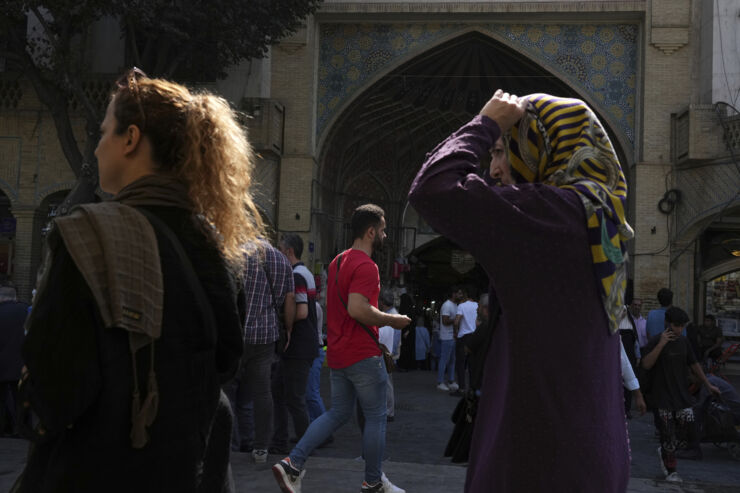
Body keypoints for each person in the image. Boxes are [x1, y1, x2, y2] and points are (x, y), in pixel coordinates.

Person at [14, 68, 261, 492]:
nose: (95, 148)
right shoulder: (215, 249)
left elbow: (54, 391)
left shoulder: (85, 236)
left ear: (130, 139)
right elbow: (223, 364)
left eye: (104, 131)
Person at [409, 89, 633, 492]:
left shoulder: (550, 217)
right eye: (493, 153)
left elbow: (433, 188)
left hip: (539, 457)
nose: (493, 170)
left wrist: (485, 123)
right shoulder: (600, 218)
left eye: (500, 152)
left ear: (541, 146)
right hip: (588, 453)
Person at [272, 204, 410, 493]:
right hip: (362, 354)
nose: (384, 235)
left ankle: (292, 464)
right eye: (383, 230)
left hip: (337, 354)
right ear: (371, 232)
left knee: (337, 413)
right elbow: (358, 309)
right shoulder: (366, 266)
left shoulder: (336, 262)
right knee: (376, 417)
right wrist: (393, 320)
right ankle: (373, 482)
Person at [225, 238, 295, 462]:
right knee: (263, 392)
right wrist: (289, 330)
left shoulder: (238, 253)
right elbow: (289, 299)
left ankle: (227, 444)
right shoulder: (281, 260)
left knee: (227, 390)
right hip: (265, 336)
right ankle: (261, 448)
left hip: (237, 332)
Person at [641, 307, 721, 482]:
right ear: (667, 324)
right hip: (662, 396)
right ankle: (671, 471)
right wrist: (661, 344)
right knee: (668, 434)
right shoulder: (656, 341)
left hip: (682, 395)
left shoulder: (684, 342)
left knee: (688, 430)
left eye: (682, 326)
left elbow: (694, 365)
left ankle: (665, 450)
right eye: (676, 326)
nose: (678, 330)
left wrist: (708, 385)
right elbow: (646, 365)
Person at [272, 234, 319, 453]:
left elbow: (301, 311)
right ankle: (281, 441)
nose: (278, 253)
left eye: (280, 249)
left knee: (294, 398)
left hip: (298, 346)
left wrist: (281, 319)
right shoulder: (305, 273)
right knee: (280, 392)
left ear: (289, 251)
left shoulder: (296, 276)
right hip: (301, 346)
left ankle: (304, 446)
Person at [0, 285, 28, 436]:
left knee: (1, 400)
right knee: (20, 399)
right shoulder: (26, 310)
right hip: (22, 365)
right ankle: (20, 428)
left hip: (2, 365)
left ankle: (3, 428)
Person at [453, 286, 478, 394]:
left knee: (460, 364)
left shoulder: (462, 306)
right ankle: (473, 388)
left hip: (463, 337)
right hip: (474, 337)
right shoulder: (478, 305)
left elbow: (456, 321)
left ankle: (461, 388)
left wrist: (456, 332)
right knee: (472, 364)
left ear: (466, 294)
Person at [305, 299, 327, 423]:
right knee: (310, 393)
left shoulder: (313, 306)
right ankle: (315, 427)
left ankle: (323, 430)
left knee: (311, 393)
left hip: (314, 351)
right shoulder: (315, 305)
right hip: (314, 350)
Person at [618, 305, 641, 418]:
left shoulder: (629, 324)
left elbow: (635, 340)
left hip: (628, 354)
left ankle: (626, 409)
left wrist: (637, 356)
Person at [437, 287, 459, 391]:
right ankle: (440, 382)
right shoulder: (447, 305)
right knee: (444, 359)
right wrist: (456, 320)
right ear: (453, 294)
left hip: (453, 336)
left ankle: (451, 381)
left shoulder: (455, 305)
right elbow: (445, 321)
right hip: (446, 336)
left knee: (452, 360)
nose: (460, 295)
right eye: (458, 293)